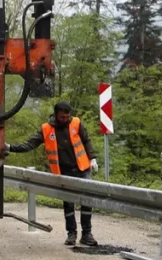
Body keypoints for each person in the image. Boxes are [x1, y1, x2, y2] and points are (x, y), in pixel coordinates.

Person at [6, 102, 99, 247]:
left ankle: (86, 234)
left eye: (67, 116)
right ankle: (71, 234)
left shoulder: (76, 123)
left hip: (82, 168)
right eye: (62, 117)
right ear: (56, 115)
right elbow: (29, 144)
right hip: (64, 171)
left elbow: (86, 140)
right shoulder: (46, 129)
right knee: (68, 203)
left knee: (86, 201)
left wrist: (92, 158)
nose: (65, 119)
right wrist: (10, 147)